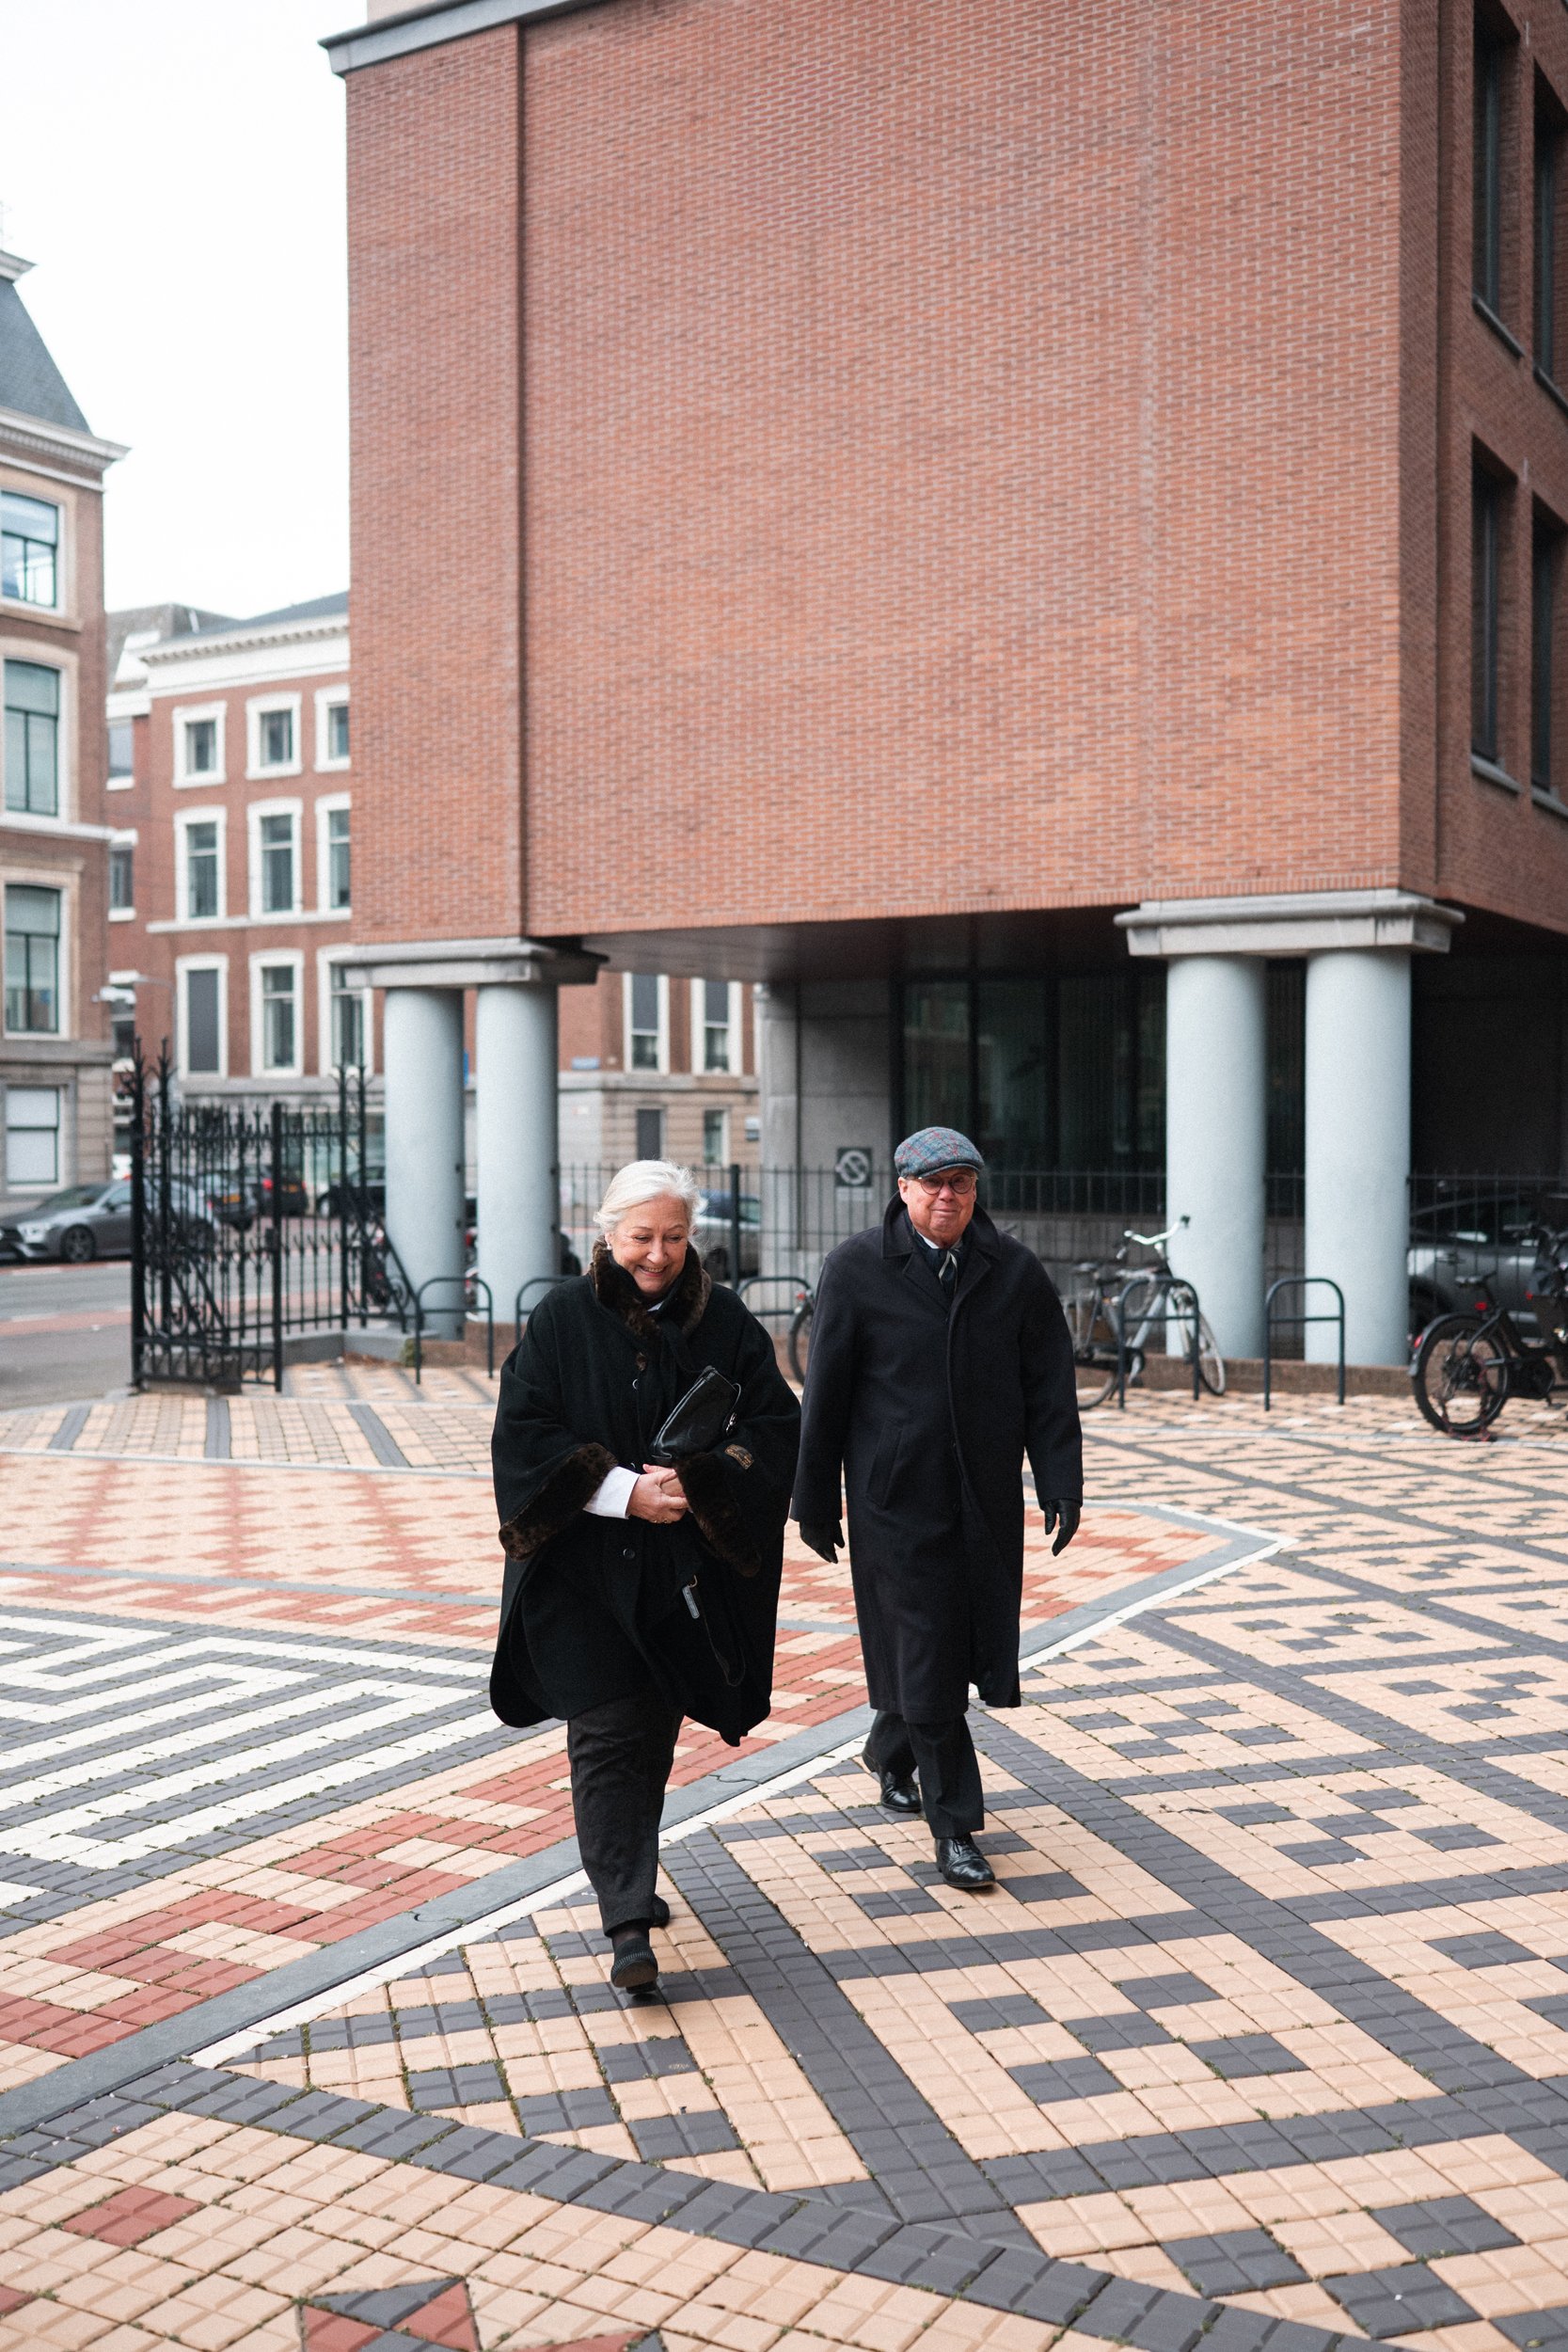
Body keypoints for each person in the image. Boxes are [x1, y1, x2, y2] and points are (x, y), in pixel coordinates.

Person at [490, 1160, 800, 1992]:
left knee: (651, 1733)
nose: (656, 1255)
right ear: (606, 1234)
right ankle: (627, 1922)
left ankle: (632, 1873)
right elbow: (521, 1435)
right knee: (604, 1734)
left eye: (671, 1237)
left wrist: (699, 1485)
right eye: (639, 1238)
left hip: (678, 1579)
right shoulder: (560, 1319)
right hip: (583, 1579)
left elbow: (775, 1426)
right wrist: (624, 1493)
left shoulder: (726, 1321)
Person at [792, 1126, 1083, 1889]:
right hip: (895, 1499)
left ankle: (888, 1750)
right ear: (902, 1190)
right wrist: (814, 1501)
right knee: (923, 1642)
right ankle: (953, 1826)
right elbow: (824, 1394)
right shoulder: (856, 1269)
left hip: (983, 1496)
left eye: (959, 1182)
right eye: (931, 1184)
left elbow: (1048, 1387)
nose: (946, 1196)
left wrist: (1060, 1482)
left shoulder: (1012, 1270)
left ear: (975, 1191)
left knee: (950, 1643)